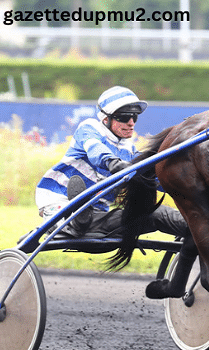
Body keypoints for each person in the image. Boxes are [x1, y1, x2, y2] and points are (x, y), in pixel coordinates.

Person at [35, 86, 188, 239]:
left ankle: (199, 229)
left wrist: (182, 187)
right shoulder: (90, 128)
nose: (130, 123)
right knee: (71, 216)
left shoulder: (128, 150)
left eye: (134, 117)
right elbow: (96, 150)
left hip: (98, 217)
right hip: (58, 202)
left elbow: (154, 179)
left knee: (158, 214)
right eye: (124, 117)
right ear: (105, 118)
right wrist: (113, 163)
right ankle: (74, 219)